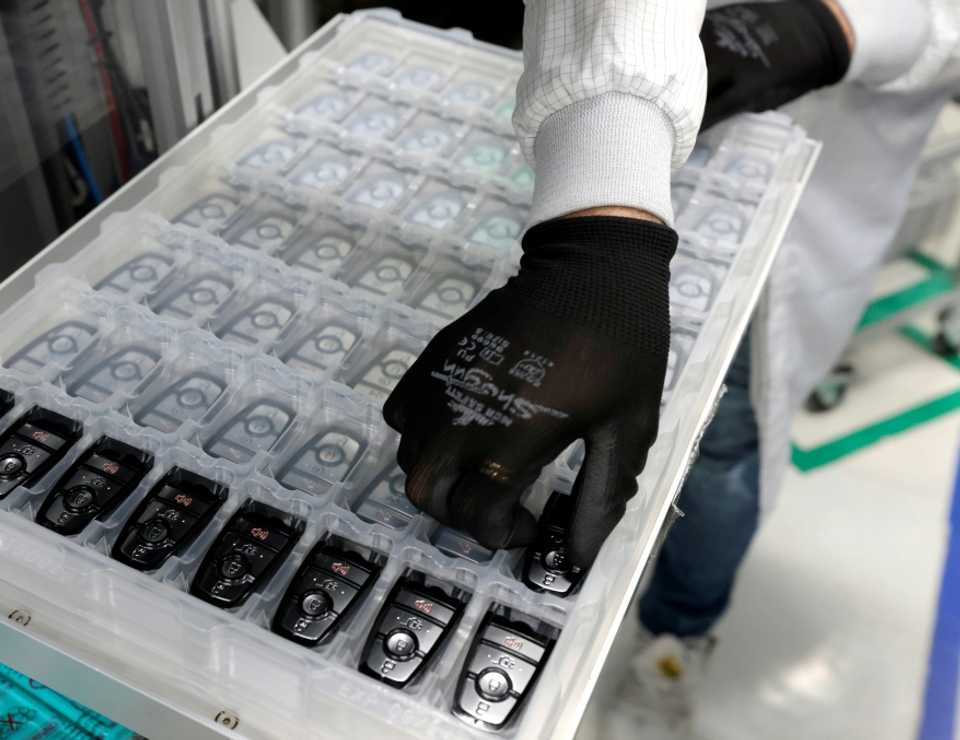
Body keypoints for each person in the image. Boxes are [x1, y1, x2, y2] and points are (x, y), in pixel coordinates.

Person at [382, 0, 960, 737]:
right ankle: (531, 627)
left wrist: (842, 24)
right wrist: (599, 213)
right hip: (588, 180)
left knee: (724, 449)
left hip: (806, 196)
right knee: (538, 411)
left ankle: (675, 636)